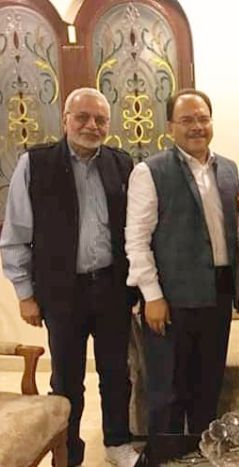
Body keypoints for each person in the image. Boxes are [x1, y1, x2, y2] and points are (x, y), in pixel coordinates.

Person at [0, 88, 138, 466]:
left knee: (116, 373)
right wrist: (25, 294)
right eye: (82, 117)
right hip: (62, 292)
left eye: (100, 119)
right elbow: (15, 235)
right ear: (65, 120)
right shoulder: (36, 164)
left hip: (112, 288)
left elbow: (135, 231)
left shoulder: (121, 164)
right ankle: (69, 452)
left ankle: (117, 443)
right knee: (66, 379)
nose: (91, 125)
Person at [125, 88, 239, 435]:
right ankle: (166, 455)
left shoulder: (229, 170)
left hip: (218, 295)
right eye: (186, 120)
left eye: (202, 118)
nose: (196, 126)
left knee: (208, 386)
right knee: (167, 390)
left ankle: (200, 451)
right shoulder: (150, 172)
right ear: (170, 126)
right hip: (170, 299)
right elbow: (136, 239)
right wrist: (152, 296)